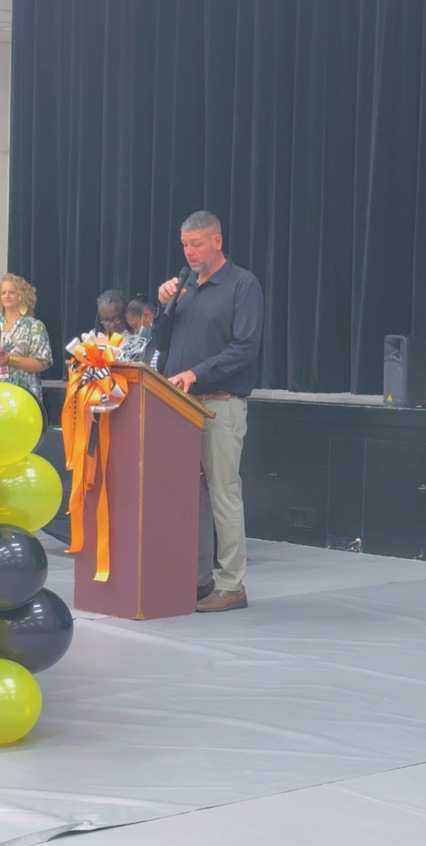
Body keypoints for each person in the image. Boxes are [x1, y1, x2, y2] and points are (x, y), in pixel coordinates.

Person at [153, 210, 264, 612]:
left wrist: (195, 374)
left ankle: (232, 584)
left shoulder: (241, 284)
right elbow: (162, 344)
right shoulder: (184, 285)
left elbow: (245, 347)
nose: (189, 252)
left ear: (217, 241)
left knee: (223, 494)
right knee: (188, 497)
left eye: (196, 243)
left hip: (220, 405)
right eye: (184, 244)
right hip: (178, 407)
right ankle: (198, 580)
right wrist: (164, 305)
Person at [0, 274, 53, 400]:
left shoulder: (34, 326)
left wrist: (11, 359)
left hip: (21, 393)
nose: (6, 296)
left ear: (21, 296)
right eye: (3, 293)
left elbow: (42, 363)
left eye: (11, 292)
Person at [94, 289, 144, 362]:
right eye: (106, 320)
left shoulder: (137, 341)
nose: (112, 325)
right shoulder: (94, 338)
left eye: (117, 319)